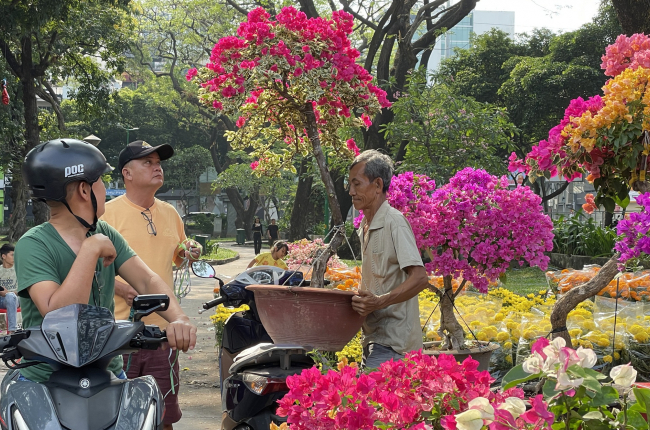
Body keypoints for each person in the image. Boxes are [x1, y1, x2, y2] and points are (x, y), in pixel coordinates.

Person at [14, 138, 197, 385]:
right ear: (84, 190)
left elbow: (146, 279)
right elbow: (58, 314)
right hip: (47, 380)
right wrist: (90, 250)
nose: (106, 187)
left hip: (108, 373)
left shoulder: (105, 232)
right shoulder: (34, 244)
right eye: (101, 180)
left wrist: (179, 318)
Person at [101, 140, 201, 430]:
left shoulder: (170, 213)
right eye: (147, 162)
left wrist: (188, 251)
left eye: (158, 162)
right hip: (119, 332)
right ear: (127, 174)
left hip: (163, 332)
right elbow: (92, 267)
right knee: (117, 417)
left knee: (163, 416)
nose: (157, 167)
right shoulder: (107, 214)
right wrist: (120, 287)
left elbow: (177, 258)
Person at [348, 150, 429, 369]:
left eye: (356, 184)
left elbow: (420, 278)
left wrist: (379, 301)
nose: (351, 191)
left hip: (395, 344)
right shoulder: (365, 226)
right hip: (373, 339)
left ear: (377, 185)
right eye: (350, 185)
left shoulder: (395, 222)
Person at [0, 244, 19, 334]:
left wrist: (8, 293)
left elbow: (25, 288)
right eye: (12, 255)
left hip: (16, 299)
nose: (14, 257)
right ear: (3, 256)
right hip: (1, 299)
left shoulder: (19, 269)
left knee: (10, 296)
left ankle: (12, 331)